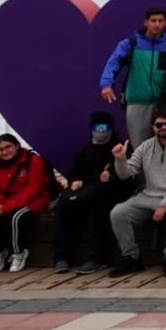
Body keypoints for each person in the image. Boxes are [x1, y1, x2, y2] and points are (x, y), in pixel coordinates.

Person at [108, 112, 166, 278]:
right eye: (159, 125)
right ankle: (132, 258)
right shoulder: (145, 146)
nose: (164, 128)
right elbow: (125, 174)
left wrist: (164, 205)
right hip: (149, 195)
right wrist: (120, 159)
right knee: (118, 212)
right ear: (153, 127)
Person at [52, 112, 128, 273]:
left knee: (97, 209)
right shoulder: (84, 150)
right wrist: (75, 180)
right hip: (84, 189)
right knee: (63, 204)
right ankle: (61, 256)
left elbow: (127, 175)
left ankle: (97, 258)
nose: (100, 132)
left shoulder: (119, 147)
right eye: (97, 128)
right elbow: (74, 171)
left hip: (110, 191)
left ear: (110, 128)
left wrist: (110, 177)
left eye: (104, 128)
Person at [0, 134, 50, 273]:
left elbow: (33, 188)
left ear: (16, 146)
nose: (4, 152)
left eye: (8, 147)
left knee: (14, 218)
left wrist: (6, 207)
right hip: (4, 201)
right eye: (0, 149)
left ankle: (18, 252)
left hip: (34, 200)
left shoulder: (33, 161)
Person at [99, 7, 166, 144]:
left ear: (165, 23)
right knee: (140, 146)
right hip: (137, 102)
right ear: (146, 22)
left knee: (165, 146)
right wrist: (106, 85)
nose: (157, 24)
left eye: (160, 20)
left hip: (163, 105)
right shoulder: (130, 44)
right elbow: (113, 63)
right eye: (153, 20)